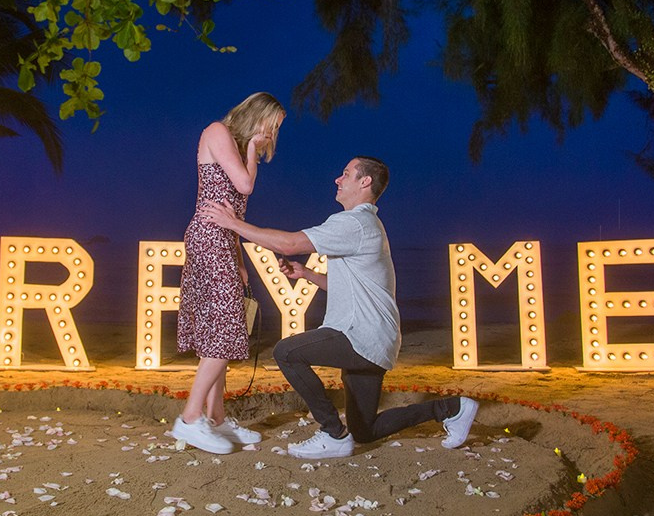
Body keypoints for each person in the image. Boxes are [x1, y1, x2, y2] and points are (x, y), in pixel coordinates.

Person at [199, 156, 478, 459]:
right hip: (376, 342)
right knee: (365, 430)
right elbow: (349, 286)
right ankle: (452, 408)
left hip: (360, 335)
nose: (338, 179)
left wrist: (233, 224)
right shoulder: (368, 225)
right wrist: (306, 274)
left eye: (346, 174)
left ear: (365, 182)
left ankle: (332, 432)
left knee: (286, 352)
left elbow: (290, 244)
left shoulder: (354, 222)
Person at [171, 93, 286, 455]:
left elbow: (232, 213)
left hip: (222, 240)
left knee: (218, 330)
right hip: (207, 237)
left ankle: (217, 420)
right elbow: (244, 187)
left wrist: (238, 259)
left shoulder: (233, 146)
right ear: (257, 116)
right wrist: (252, 150)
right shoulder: (218, 131)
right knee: (224, 329)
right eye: (273, 123)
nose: (273, 132)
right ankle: (190, 418)